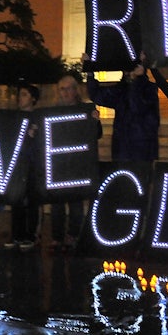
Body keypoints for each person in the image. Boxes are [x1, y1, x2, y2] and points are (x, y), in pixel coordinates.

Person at [49, 74, 103, 251]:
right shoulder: (52, 111)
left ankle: (72, 235)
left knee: (75, 203)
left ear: (75, 90)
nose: (64, 92)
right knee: (56, 203)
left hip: (77, 164)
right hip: (58, 164)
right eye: (61, 89)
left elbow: (96, 134)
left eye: (68, 88)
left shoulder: (85, 110)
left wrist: (95, 121)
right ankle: (56, 237)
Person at [85, 52, 159, 164]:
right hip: (122, 148)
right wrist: (90, 71)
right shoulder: (121, 89)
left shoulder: (149, 89)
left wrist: (137, 81)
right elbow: (97, 95)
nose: (128, 72)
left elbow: (137, 107)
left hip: (142, 148)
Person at [4, 83, 41, 251]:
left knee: (32, 200)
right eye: (20, 94)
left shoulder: (39, 118)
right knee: (16, 198)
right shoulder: (14, 117)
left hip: (33, 164)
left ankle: (31, 235)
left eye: (24, 94)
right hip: (17, 163)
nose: (20, 97)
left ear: (33, 98)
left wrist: (35, 135)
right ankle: (17, 234)